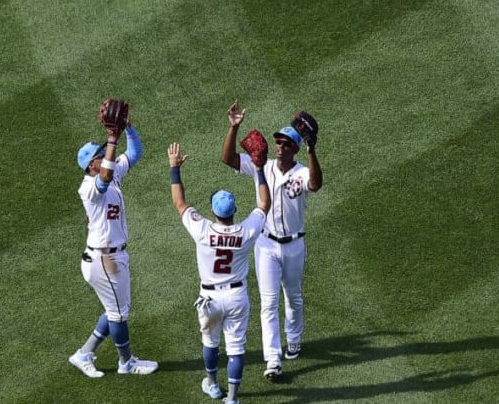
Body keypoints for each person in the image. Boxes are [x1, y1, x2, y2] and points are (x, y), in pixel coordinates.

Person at [221, 100, 323, 380]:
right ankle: (272, 359)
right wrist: (234, 128)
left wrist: (313, 152)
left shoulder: (302, 171)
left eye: (285, 143)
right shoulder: (260, 165)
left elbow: (315, 184)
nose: (279, 146)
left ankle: (294, 339)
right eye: (277, 141)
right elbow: (228, 158)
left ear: (295, 149)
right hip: (265, 245)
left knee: (294, 297)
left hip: (294, 245)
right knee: (268, 303)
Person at [168, 142, 270, 403]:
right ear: (234, 211)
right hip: (237, 296)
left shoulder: (202, 230)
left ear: (213, 211)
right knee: (236, 349)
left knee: (210, 343)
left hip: (209, 299)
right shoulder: (246, 231)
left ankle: (212, 384)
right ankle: (232, 399)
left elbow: (179, 203)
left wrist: (175, 169)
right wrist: (259, 170)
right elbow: (264, 204)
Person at [69, 113, 158, 377]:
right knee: (119, 314)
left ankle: (83, 354)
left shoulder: (110, 172)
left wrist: (128, 128)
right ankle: (126, 362)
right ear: (91, 165)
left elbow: (136, 152)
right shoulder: (89, 188)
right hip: (104, 260)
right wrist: (111, 139)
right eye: (99, 155)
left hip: (111, 257)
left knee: (115, 309)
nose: (104, 155)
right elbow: (105, 179)